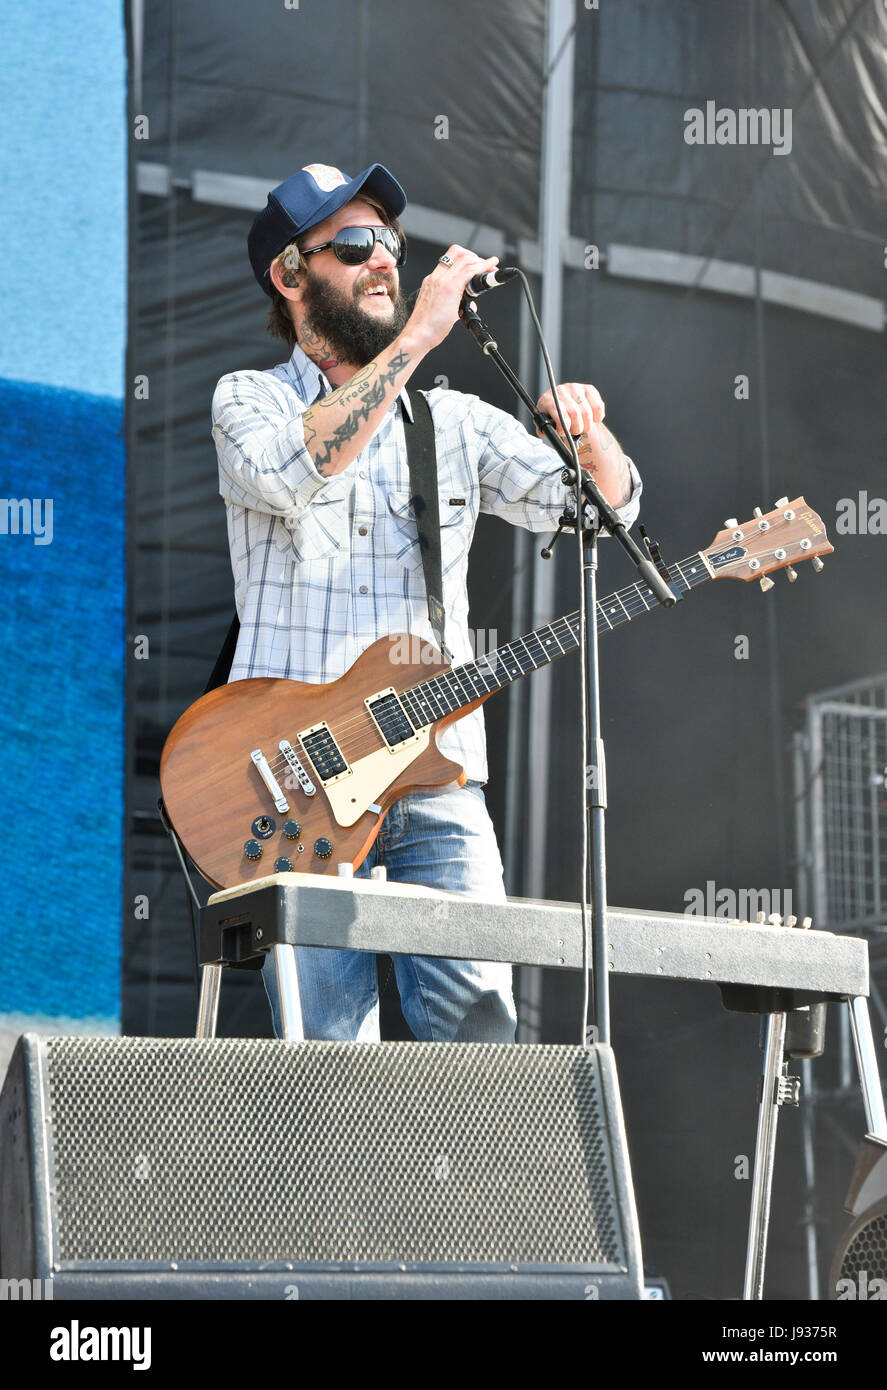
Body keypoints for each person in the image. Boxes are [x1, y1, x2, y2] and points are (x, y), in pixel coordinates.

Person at [211, 161, 642, 1044]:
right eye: (356, 244)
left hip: (439, 782)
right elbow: (299, 470)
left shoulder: (453, 422)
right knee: (327, 1061)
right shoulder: (247, 400)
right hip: (298, 789)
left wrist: (588, 434)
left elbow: (603, 511)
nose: (384, 261)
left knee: (480, 1047)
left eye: (391, 245)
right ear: (291, 277)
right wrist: (414, 337)